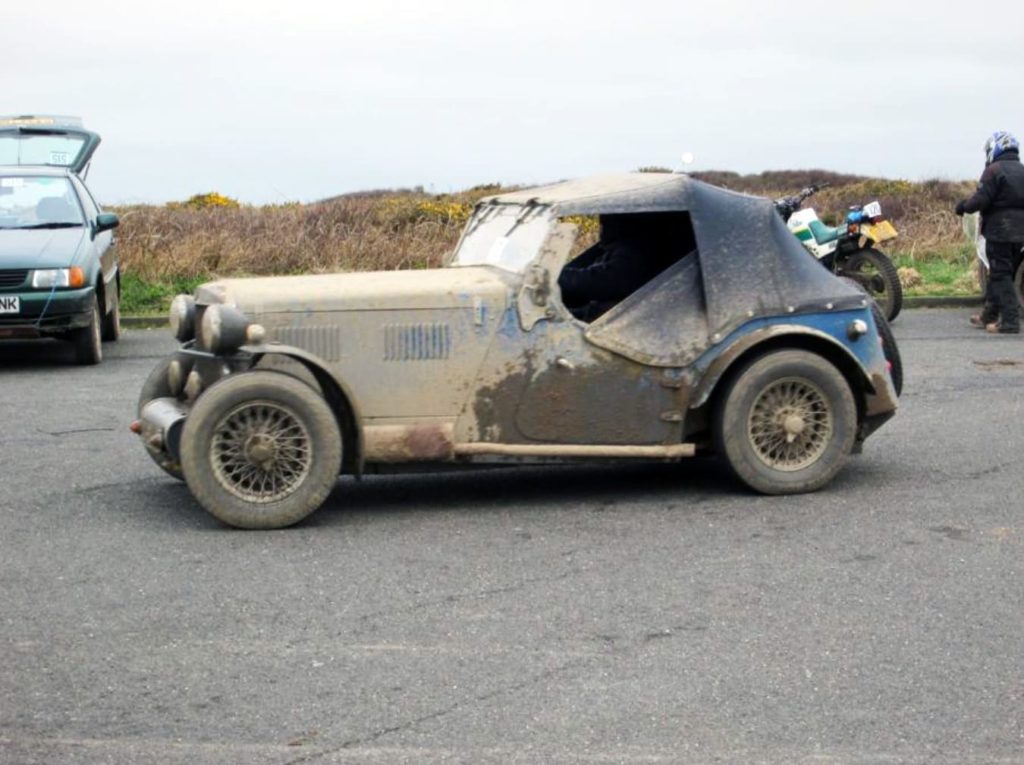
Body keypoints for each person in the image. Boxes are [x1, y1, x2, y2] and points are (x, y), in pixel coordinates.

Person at [956, 131, 1024, 334]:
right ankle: (989, 315)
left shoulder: (993, 171)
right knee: (999, 273)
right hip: (1020, 231)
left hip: (1000, 230)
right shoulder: (1022, 170)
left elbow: (981, 199)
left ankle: (1010, 322)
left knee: (1001, 274)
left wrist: (963, 207)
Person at [558, 214, 679, 322]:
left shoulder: (634, 253)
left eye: (604, 222)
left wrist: (553, 277)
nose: (601, 227)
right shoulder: (616, 247)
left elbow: (604, 282)